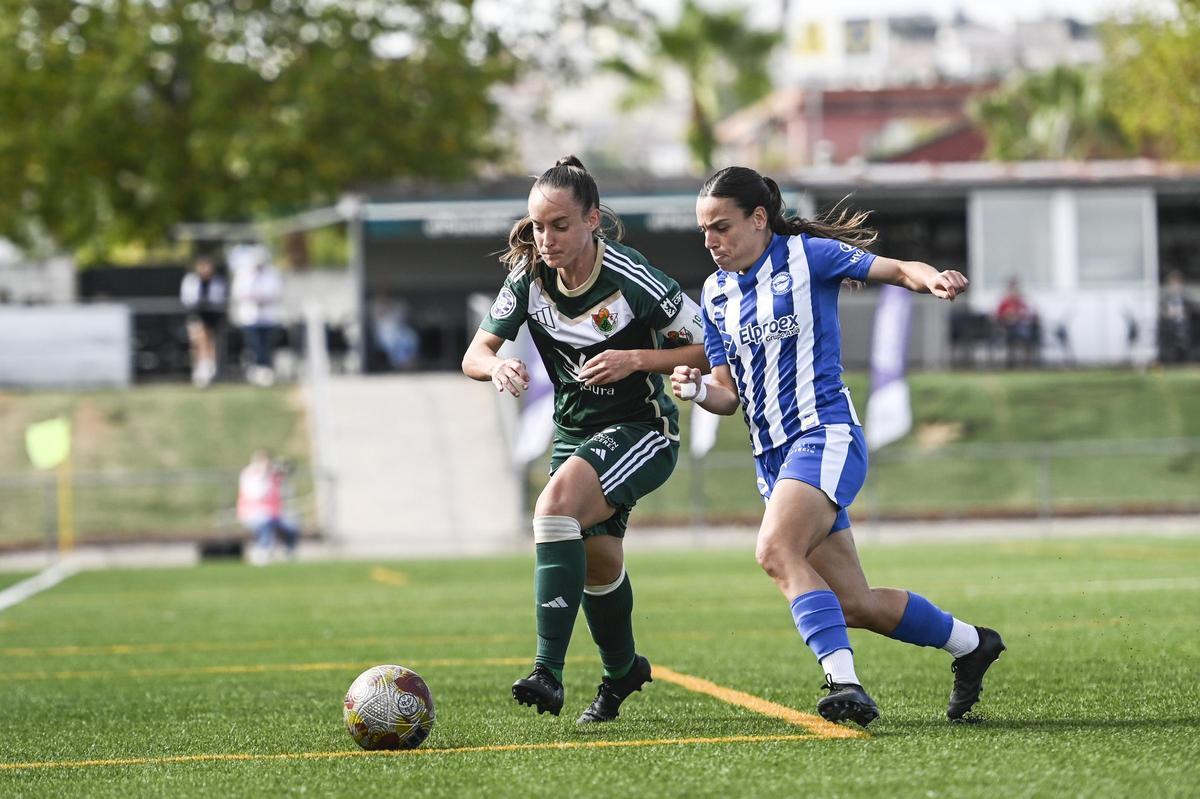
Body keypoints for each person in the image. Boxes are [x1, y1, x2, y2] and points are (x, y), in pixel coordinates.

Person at [671, 166, 1004, 727]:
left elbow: (897, 268)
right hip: (773, 459)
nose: (711, 242)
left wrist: (933, 279)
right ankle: (972, 644)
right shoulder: (715, 293)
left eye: (721, 227)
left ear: (758, 220)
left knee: (776, 552)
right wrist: (700, 388)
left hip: (824, 435)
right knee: (855, 603)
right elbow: (728, 396)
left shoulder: (808, 256)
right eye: (704, 230)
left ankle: (844, 682)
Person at [462, 156, 708, 723]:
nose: (544, 239)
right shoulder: (527, 277)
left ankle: (547, 670)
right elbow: (475, 354)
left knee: (553, 511)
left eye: (559, 225)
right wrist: (496, 367)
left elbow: (713, 347)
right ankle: (623, 672)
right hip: (574, 435)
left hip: (644, 431)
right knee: (597, 562)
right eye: (536, 227)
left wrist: (637, 359)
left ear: (593, 219)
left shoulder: (633, 278)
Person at [229, 245, 284, 386]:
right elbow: (238, 293)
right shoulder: (244, 273)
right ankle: (257, 370)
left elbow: (276, 292)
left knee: (267, 345)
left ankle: (266, 369)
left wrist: (263, 297)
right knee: (254, 345)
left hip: (268, 317)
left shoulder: (272, 273)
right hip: (251, 316)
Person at [237, 449, 299, 565]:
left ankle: (289, 553)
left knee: (292, 526)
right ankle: (262, 552)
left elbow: (285, 494)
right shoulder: (251, 475)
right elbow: (256, 494)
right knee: (266, 523)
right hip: (251, 514)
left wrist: (281, 476)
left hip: (274, 515)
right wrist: (265, 477)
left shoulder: (274, 476)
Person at [179, 254, 228, 388]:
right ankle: (200, 369)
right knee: (198, 340)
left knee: (210, 342)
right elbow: (186, 299)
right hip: (196, 314)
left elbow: (220, 299)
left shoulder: (217, 281)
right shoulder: (191, 280)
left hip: (213, 316)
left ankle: (209, 369)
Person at [994, 277, 1038, 366]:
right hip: (1008, 330)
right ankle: (1011, 363)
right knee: (1011, 334)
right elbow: (997, 316)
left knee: (1028, 335)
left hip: (1022, 328)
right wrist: (1006, 318)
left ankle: (1027, 363)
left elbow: (1030, 314)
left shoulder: (1022, 302)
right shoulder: (1005, 302)